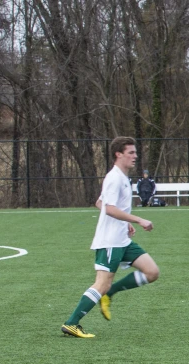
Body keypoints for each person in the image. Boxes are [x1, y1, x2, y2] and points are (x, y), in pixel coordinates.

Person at [61, 136, 160, 338]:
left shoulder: (123, 178)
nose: (135, 156)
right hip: (110, 242)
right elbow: (108, 209)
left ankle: (111, 293)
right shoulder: (114, 178)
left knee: (152, 272)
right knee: (101, 284)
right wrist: (137, 220)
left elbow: (100, 202)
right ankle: (71, 323)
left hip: (121, 240)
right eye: (131, 152)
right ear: (119, 154)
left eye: (135, 152)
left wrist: (124, 223)